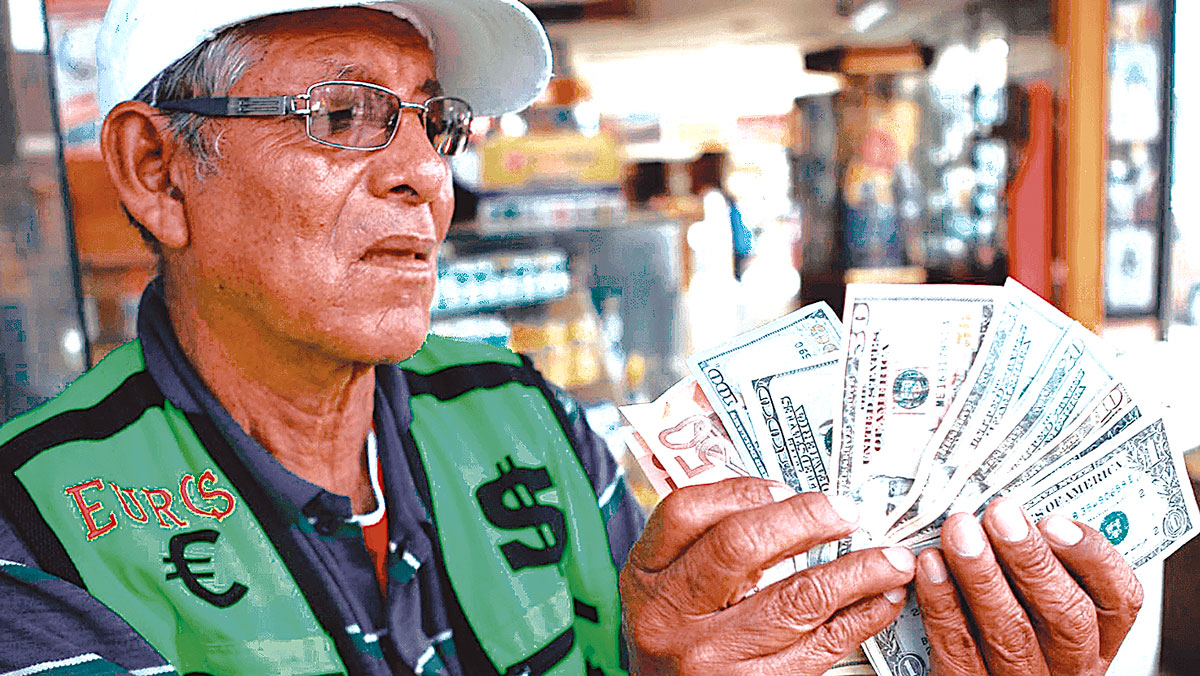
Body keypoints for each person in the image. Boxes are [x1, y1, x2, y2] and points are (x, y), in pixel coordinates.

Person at [0, 1, 1143, 675]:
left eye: (435, 121)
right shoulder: (33, 528)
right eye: (342, 116)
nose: (424, 176)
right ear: (157, 171)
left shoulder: (518, 409)